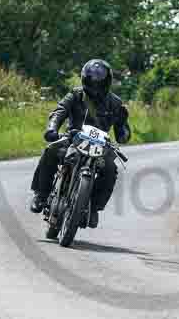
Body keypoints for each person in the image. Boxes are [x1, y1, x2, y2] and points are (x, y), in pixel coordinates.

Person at [29, 59, 131, 228]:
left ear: (107, 81)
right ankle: (41, 194)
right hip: (72, 139)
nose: (96, 83)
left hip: (100, 146)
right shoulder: (75, 95)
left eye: (100, 80)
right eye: (92, 79)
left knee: (110, 169)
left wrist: (124, 122)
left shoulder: (116, 103)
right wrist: (52, 128)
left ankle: (95, 207)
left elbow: (122, 136)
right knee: (50, 151)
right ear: (85, 79)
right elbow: (59, 112)